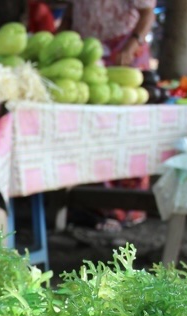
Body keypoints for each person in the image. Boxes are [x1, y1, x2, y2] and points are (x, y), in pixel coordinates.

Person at [62, 0, 157, 231]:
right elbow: (71, 13)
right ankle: (92, 208)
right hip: (90, 56)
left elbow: (147, 14)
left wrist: (132, 43)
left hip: (126, 55)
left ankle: (126, 209)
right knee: (91, 127)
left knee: (128, 130)